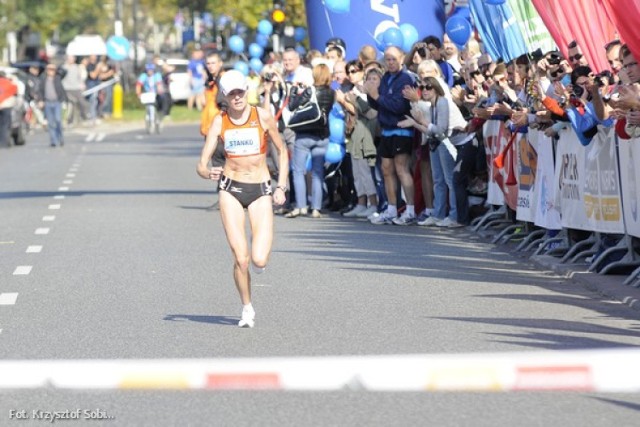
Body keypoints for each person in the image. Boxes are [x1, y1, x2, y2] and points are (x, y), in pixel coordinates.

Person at [196, 70, 289, 328]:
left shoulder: (263, 117)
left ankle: (254, 271)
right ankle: (247, 306)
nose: (236, 97)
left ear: (246, 91)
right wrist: (206, 172)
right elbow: (201, 164)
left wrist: (281, 186)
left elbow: (281, 152)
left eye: (240, 92)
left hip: (260, 188)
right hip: (230, 188)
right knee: (241, 258)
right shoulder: (219, 121)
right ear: (225, 96)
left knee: (259, 260)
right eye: (231, 93)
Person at [364, 46, 418, 225]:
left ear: (402, 59)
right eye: (387, 59)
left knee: (401, 168)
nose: (391, 62)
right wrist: (370, 94)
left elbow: (399, 106)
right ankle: (391, 209)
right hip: (386, 129)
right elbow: (378, 105)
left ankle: (410, 210)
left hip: (402, 129)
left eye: (394, 59)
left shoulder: (406, 78)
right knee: (386, 169)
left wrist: (376, 96)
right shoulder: (385, 77)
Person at [285, 64, 335, 219]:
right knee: (317, 173)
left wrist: (293, 90)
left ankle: (301, 206)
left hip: (305, 134)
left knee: (298, 171)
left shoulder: (310, 90)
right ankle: (316, 208)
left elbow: (292, 106)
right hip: (322, 135)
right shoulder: (332, 93)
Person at [37, 63, 68, 147]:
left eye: (52, 70)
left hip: (57, 102)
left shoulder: (58, 78)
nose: (51, 71)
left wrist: (56, 67)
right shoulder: (43, 79)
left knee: (58, 120)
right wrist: (40, 100)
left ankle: (60, 137)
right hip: (47, 102)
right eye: (49, 69)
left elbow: (65, 72)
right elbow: (40, 90)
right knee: (50, 122)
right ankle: (53, 140)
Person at [0, 71, 18, 147]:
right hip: (6, 106)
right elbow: (15, 90)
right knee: (6, 125)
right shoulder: (8, 83)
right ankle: (5, 142)